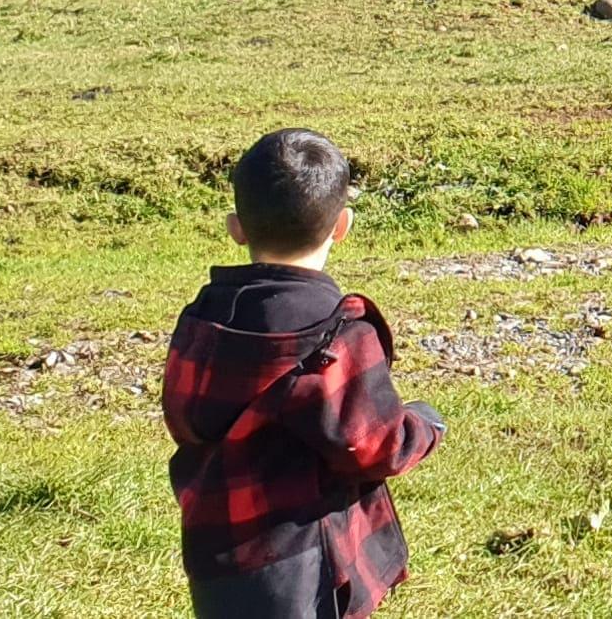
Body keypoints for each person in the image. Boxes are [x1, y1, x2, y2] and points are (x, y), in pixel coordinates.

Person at [163, 129, 446, 619]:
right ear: (342, 226)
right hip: (307, 564)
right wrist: (426, 423)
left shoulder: (202, 319)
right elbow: (373, 445)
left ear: (236, 228)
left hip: (217, 555)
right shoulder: (337, 332)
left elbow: (182, 417)